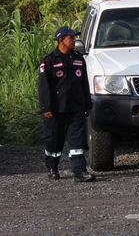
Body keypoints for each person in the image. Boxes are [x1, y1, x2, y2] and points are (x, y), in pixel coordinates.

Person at [38, 26, 95, 182]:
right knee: (53, 142)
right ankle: (52, 168)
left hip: (76, 108)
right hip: (56, 110)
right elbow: (44, 88)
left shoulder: (78, 58)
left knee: (77, 142)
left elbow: (84, 83)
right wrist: (46, 108)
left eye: (74, 37)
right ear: (61, 40)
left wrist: (87, 104)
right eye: (71, 38)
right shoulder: (49, 60)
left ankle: (79, 171)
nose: (74, 40)